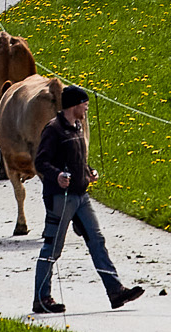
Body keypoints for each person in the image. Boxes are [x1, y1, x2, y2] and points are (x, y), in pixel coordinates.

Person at [31, 84, 144, 314]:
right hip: (60, 198)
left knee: (96, 240)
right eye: (85, 104)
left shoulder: (77, 126)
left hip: (81, 196)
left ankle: (115, 291)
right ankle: (41, 299)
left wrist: (88, 171)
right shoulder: (54, 129)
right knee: (52, 247)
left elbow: (77, 159)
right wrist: (58, 175)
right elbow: (41, 162)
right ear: (73, 105)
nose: (86, 108)